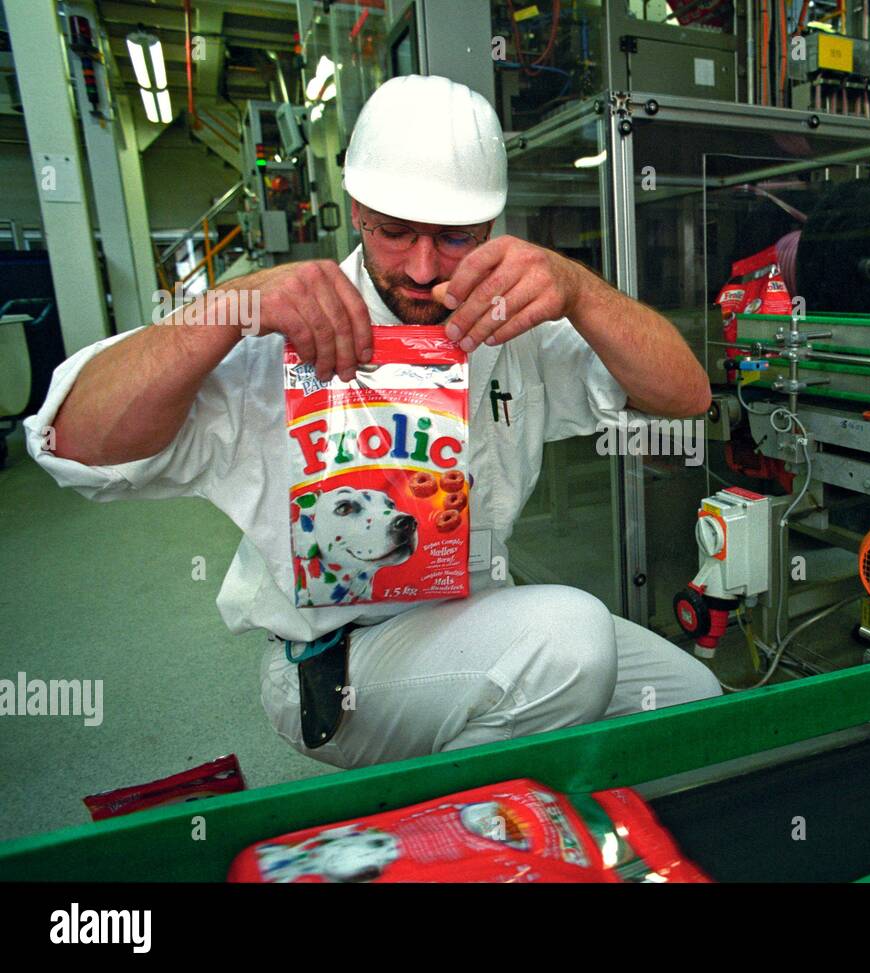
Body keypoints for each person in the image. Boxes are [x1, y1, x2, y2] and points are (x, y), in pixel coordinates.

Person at [25, 75, 721, 768]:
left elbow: (686, 396)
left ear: (491, 224)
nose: (422, 269)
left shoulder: (509, 324)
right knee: (571, 642)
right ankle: (442, 842)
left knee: (694, 700)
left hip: (480, 623)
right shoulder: (280, 329)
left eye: (454, 237)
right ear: (356, 209)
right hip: (338, 660)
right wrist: (230, 305)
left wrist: (581, 290)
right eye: (394, 232)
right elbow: (72, 440)